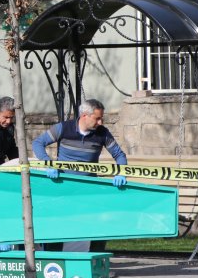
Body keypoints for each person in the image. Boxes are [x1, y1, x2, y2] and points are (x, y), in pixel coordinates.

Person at [31, 98, 127, 252]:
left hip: (88, 189)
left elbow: (119, 155)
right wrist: (47, 164)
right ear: (84, 116)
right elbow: (37, 143)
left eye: (101, 118)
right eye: (97, 118)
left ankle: (95, 263)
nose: (100, 122)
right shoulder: (63, 128)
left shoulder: (103, 133)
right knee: (57, 228)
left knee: (100, 226)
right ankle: (53, 265)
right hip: (62, 187)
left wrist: (121, 173)